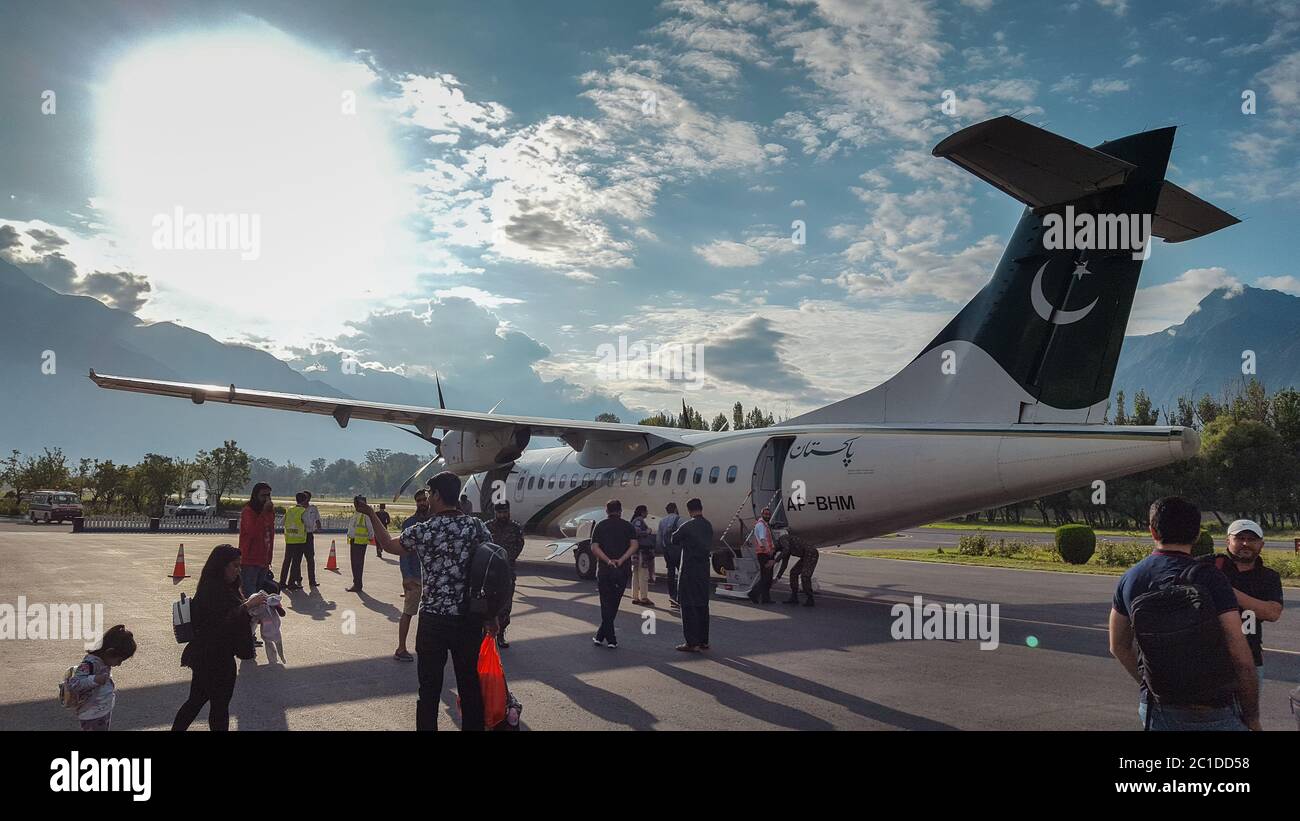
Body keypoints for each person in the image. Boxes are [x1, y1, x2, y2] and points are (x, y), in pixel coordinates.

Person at [1108, 497, 1260, 731]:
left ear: (1152, 532)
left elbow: (1118, 645)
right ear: (1197, 534)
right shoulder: (1211, 577)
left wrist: (1150, 684)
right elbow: (1241, 657)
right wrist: (1252, 718)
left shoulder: (1131, 578)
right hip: (1212, 709)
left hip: (1158, 709)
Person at [364, 472, 496, 731]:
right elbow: (493, 566)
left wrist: (370, 514)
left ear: (436, 495)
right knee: (469, 685)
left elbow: (389, 545)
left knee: (429, 690)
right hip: (468, 619)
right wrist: (492, 615)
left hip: (433, 620)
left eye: (430, 494)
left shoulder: (426, 529)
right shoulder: (476, 527)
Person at [172, 544, 268, 731]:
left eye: (239, 565)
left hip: (210, 655)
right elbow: (223, 622)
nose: (238, 570)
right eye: (234, 565)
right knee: (218, 708)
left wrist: (256, 614)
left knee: (197, 702)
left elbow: (232, 618)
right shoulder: (212, 590)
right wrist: (248, 606)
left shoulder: (223, 587)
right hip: (214, 658)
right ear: (221, 566)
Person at [1204, 519, 1284, 691]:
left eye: (1252, 539)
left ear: (1261, 544)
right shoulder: (1209, 565)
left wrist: (1224, 590)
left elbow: (1272, 612)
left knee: (1247, 714)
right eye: (1240, 538)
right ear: (1228, 541)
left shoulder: (1268, 577)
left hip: (1249, 660)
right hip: (1209, 658)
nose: (1245, 544)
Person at [67, 625, 137, 730]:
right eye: (119, 660)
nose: (119, 664)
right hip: (91, 713)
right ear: (109, 652)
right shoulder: (90, 664)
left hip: (102, 710)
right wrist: (94, 680)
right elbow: (74, 684)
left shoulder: (104, 661)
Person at [590, 499, 637, 648]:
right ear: (620, 511)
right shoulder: (628, 526)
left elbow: (594, 547)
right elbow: (634, 545)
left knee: (605, 603)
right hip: (622, 570)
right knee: (614, 603)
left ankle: (606, 638)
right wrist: (622, 559)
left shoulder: (600, 526)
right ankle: (606, 638)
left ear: (606, 511)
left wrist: (607, 560)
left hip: (605, 570)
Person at [394, 489, 432, 662]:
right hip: (415, 576)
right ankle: (401, 648)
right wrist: (406, 576)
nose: (422, 503)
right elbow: (404, 552)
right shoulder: (410, 523)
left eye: (424, 499)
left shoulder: (436, 521)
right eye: (419, 500)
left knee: (430, 616)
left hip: (433, 578)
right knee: (408, 612)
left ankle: (428, 648)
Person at [671, 497, 714, 652]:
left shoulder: (687, 525)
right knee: (703, 605)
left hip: (689, 570)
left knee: (688, 606)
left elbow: (673, 538)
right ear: (701, 508)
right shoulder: (708, 525)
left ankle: (691, 642)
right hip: (703, 570)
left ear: (689, 510)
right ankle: (704, 641)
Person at [239, 482, 275, 645]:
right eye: (263, 496)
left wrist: (269, 559)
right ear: (255, 496)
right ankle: (245, 635)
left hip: (262, 560)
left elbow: (270, 535)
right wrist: (263, 513)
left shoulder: (269, 512)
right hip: (249, 560)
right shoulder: (248, 511)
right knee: (250, 599)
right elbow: (253, 531)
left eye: (269, 495)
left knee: (260, 602)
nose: (266, 499)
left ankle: (250, 634)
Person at [486, 501, 525, 648]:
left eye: (505, 512)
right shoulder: (488, 527)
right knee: (487, 604)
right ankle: (486, 635)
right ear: (495, 513)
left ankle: (501, 634)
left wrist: (506, 559)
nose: (503, 515)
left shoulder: (515, 528)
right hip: (490, 572)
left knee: (505, 604)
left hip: (507, 571)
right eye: (500, 512)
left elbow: (519, 545)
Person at [774, 531, 818, 606]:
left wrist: (775, 560)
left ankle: (810, 598)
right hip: (805, 555)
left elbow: (786, 550)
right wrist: (778, 577)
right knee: (793, 572)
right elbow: (784, 565)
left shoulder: (783, 539)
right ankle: (794, 596)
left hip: (811, 553)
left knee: (805, 576)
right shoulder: (784, 549)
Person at [279, 491, 310, 591]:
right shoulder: (303, 511)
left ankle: (282, 582)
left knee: (286, 561)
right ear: (305, 500)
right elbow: (309, 524)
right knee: (296, 562)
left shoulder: (290, 510)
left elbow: (282, 522)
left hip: (289, 539)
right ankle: (291, 583)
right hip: (299, 540)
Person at [747, 506, 776, 604]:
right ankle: (753, 593)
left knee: (768, 577)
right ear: (762, 514)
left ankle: (766, 598)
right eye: (765, 514)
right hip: (764, 554)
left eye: (768, 514)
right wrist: (768, 550)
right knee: (765, 577)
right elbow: (763, 539)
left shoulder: (765, 525)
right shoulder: (761, 525)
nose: (767, 516)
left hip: (766, 553)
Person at [293, 491, 322, 589]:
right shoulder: (297, 509)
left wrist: (319, 527)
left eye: (307, 498)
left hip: (309, 535)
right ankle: (298, 579)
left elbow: (317, 519)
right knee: (298, 558)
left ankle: (312, 581)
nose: (306, 500)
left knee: (310, 559)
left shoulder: (313, 508)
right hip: (299, 536)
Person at [657, 502, 683, 610]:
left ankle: (672, 595)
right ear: (676, 509)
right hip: (678, 550)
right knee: (682, 574)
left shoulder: (662, 521)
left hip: (667, 551)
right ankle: (680, 597)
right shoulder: (679, 519)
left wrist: (663, 550)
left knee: (670, 573)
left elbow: (659, 538)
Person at [345, 497, 372, 593]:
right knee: (354, 564)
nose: (355, 505)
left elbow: (370, 529)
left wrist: (369, 538)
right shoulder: (356, 514)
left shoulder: (365, 515)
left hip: (360, 543)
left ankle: (357, 585)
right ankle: (356, 583)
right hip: (354, 541)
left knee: (357, 564)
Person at [630, 504, 655, 607]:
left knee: (635, 575)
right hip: (642, 552)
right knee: (643, 574)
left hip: (636, 552)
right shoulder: (639, 520)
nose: (647, 513)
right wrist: (647, 532)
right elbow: (637, 532)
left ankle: (635, 596)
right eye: (646, 511)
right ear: (642, 512)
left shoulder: (634, 520)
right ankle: (643, 597)